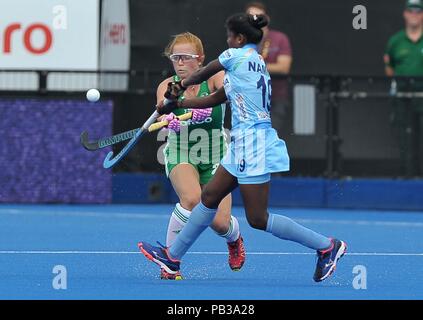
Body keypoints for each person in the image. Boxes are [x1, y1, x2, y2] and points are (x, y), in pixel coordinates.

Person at [139, 13, 347, 283]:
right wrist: (178, 105)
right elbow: (218, 97)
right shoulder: (256, 62)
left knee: (258, 218)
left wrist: (177, 89)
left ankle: (327, 246)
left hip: (254, 143)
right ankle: (173, 256)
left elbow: (203, 73)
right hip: (242, 142)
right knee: (209, 197)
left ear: (239, 38)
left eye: (229, 36)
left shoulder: (234, 56)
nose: (226, 40)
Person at [146, 32, 245, 280]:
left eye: (186, 58)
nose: (180, 63)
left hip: (216, 156)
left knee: (220, 223)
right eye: (175, 58)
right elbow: (163, 112)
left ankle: (234, 240)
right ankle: (170, 263)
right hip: (181, 152)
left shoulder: (214, 78)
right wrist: (168, 120)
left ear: (199, 59)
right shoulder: (166, 85)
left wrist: (205, 105)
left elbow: (229, 92)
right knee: (192, 199)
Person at [384, 0, 423, 177]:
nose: (414, 15)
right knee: (404, 137)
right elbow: (389, 68)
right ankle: (406, 175)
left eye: (418, 11)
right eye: (411, 11)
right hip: (402, 97)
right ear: (405, 14)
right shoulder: (395, 41)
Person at [245, 2, 292, 137]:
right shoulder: (243, 39)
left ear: (266, 18)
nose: (254, 19)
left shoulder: (279, 38)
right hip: (249, 98)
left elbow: (284, 67)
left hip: (275, 97)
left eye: (258, 16)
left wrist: (253, 66)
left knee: (271, 137)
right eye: (250, 16)